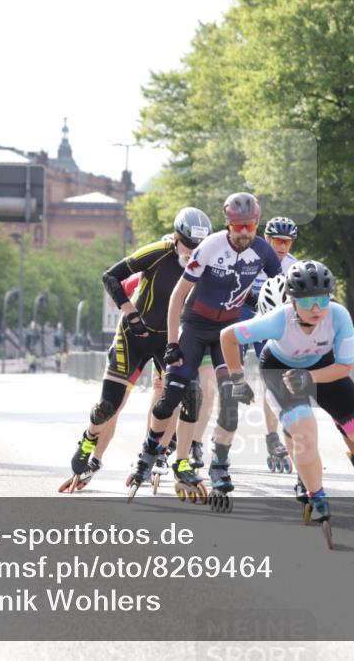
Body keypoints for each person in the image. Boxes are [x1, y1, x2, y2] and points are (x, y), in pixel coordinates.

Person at [219, 260, 354, 525]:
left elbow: (345, 366)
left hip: (323, 367)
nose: (316, 309)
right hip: (280, 370)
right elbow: (227, 336)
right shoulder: (278, 320)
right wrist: (238, 379)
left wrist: (309, 377)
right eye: (308, 301)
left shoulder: (338, 315)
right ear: (292, 300)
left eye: (322, 301)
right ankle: (317, 494)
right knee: (305, 434)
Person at [131, 192, 281, 507]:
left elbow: (282, 292)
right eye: (238, 226)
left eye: (250, 226)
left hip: (226, 333)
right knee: (177, 394)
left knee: (229, 400)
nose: (244, 232)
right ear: (228, 223)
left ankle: (219, 466)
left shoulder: (264, 252)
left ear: (256, 224)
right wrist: (172, 343)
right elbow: (178, 295)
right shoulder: (211, 246)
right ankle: (152, 449)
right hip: (195, 327)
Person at [62, 208, 213, 493]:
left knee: (189, 394)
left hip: (166, 338)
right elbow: (111, 277)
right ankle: (89, 438)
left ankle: (157, 454)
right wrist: (131, 314)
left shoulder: (205, 262)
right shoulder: (159, 251)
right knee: (110, 406)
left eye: (199, 248)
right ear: (177, 237)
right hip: (133, 335)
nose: (193, 253)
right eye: (189, 246)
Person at [241, 216, 299, 471]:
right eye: (278, 241)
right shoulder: (250, 256)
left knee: (273, 379)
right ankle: (222, 432)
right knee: (229, 374)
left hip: (271, 321)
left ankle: (273, 437)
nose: (283, 247)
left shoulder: (294, 267)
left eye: (288, 242)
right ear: (267, 239)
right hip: (243, 315)